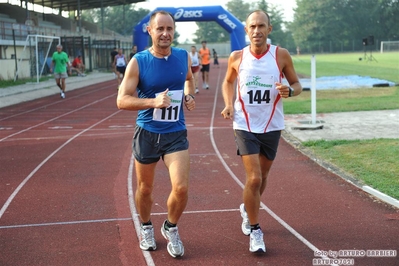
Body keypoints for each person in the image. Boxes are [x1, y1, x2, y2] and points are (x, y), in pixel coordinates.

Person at [220, 10, 303, 253]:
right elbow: (227, 82)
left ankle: (248, 207)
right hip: (244, 124)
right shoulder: (237, 57)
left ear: (269, 29)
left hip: (272, 125)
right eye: (252, 26)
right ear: (246, 30)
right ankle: (255, 228)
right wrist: (227, 104)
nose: (257, 31)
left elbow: (297, 84)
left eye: (261, 26)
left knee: (263, 178)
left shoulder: (281, 55)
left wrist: (290, 91)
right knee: (254, 178)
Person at [116, 10, 196, 258]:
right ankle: (147, 226)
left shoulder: (183, 56)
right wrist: (152, 102)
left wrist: (190, 95)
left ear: (174, 31)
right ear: (150, 31)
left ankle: (171, 227)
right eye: (160, 29)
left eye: (169, 29)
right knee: (145, 188)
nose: (165, 33)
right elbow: (122, 100)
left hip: (175, 132)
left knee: (181, 188)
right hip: (147, 133)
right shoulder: (138, 61)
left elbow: (189, 79)